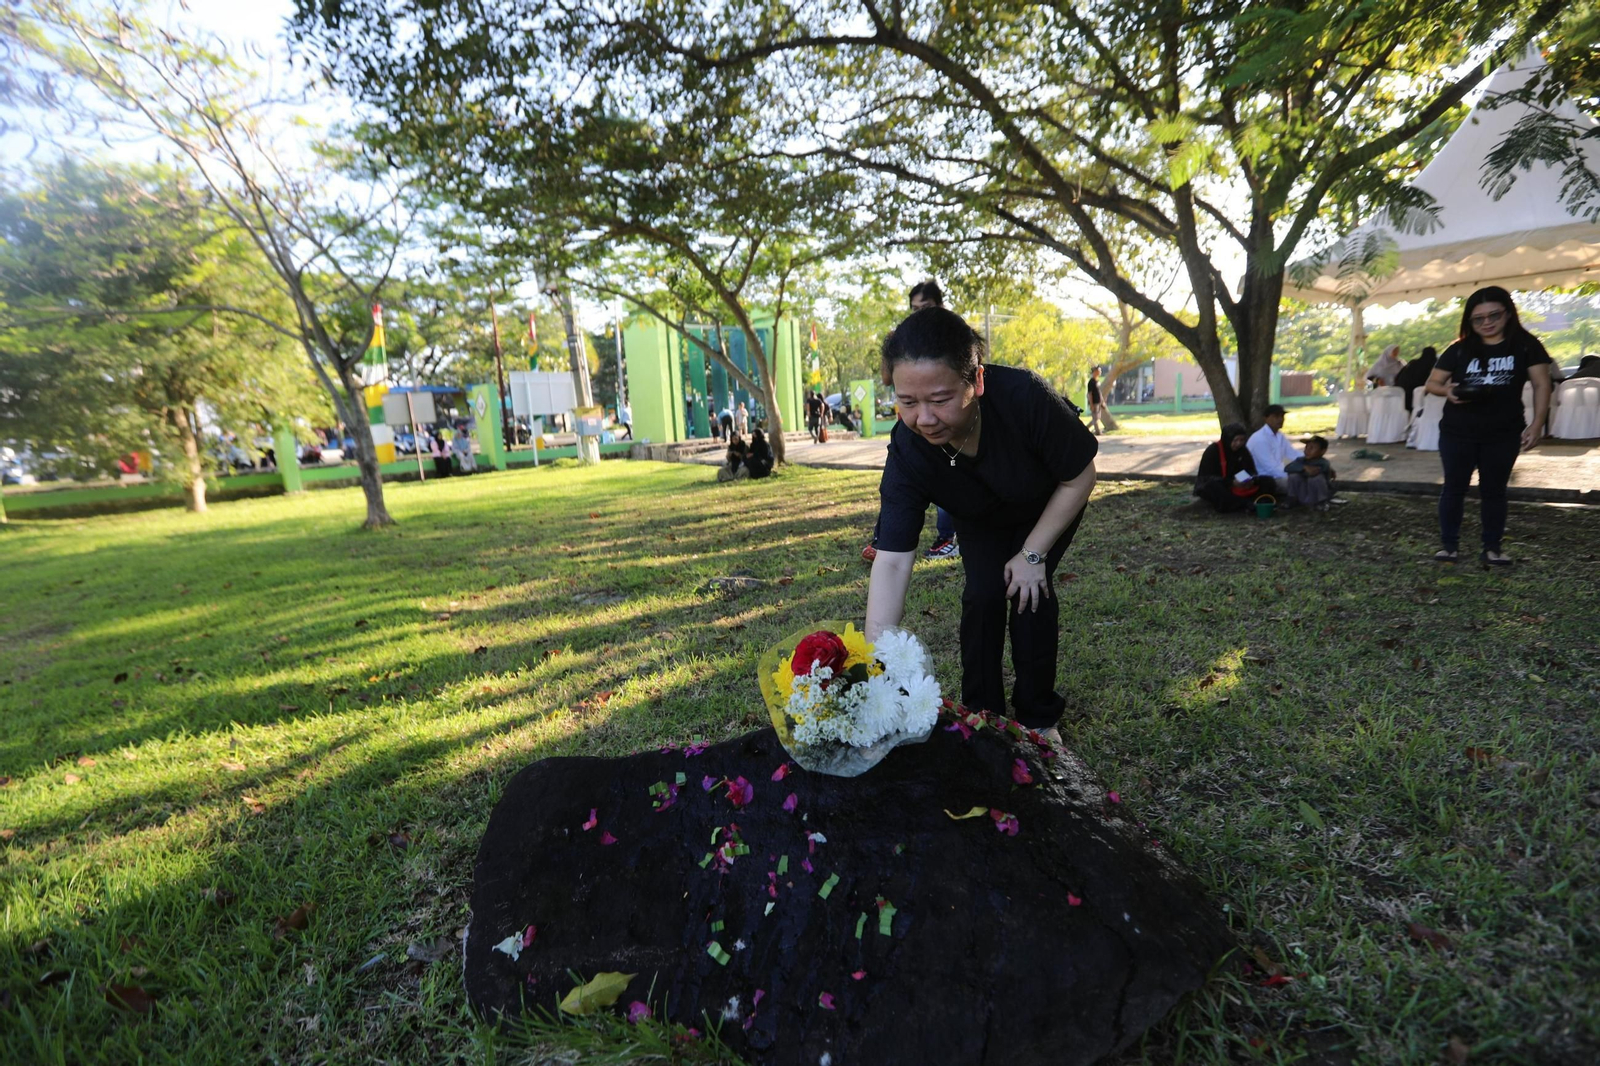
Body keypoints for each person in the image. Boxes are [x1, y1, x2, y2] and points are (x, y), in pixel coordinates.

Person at [865, 307, 1098, 740]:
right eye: (908, 402)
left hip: (1047, 504)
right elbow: (892, 561)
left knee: (1028, 593)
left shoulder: (1024, 397)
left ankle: (1037, 718)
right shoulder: (908, 451)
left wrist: (1032, 555)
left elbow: (1080, 476)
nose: (924, 419)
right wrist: (875, 661)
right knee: (982, 595)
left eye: (940, 400)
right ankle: (982, 717)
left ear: (977, 381)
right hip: (978, 513)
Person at [1425, 285, 1553, 566]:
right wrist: (1447, 391)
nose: (1487, 323)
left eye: (1494, 315)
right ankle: (1449, 546)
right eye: (1478, 319)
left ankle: (1492, 548)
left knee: (1494, 491)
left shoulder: (1526, 345)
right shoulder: (1459, 348)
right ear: (1469, 321)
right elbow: (1432, 383)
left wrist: (1537, 424)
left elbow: (1542, 384)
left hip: (1503, 432)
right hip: (1458, 431)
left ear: (1508, 313)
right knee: (1454, 488)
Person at [862, 280, 959, 564]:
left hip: (952, 428)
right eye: (914, 309)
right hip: (911, 430)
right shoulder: (904, 340)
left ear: (940, 306)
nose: (919, 314)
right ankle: (884, 541)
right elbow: (886, 378)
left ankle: (948, 539)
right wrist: (891, 347)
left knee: (949, 477)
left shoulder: (954, 333)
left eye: (925, 307)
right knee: (897, 479)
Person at [1193, 423, 1267, 513]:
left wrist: (1251, 480)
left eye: (1241, 440)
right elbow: (1206, 477)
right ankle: (1242, 504)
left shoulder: (1243, 450)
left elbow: (1250, 470)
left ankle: (1253, 502)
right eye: (1235, 440)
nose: (1238, 443)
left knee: (1267, 481)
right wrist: (1231, 483)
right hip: (1220, 483)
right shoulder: (1213, 451)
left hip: (1240, 483)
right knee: (1214, 487)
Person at [1247, 403, 1300, 498]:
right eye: (1276, 416)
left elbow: (1292, 453)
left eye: (1282, 416)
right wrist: (1292, 474)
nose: (1280, 419)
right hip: (1266, 479)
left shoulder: (1280, 436)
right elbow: (1270, 468)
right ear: (1266, 418)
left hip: (1278, 474)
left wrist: (1310, 461)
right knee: (1298, 483)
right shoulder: (1259, 439)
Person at [1284, 436, 1335, 510]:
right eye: (1306, 447)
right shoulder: (1301, 460)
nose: (1307, 451)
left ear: (1323, 451)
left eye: (1312, 448)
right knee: (1293, 476)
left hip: (1316, 495)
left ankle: (1322, 502)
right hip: (1303, 493)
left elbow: (1313, 473)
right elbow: (1287, 468)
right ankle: (1292, 499)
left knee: (1316, 478)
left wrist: (1301, 469)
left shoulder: (1323, 463)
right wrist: (1304, 467)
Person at [1394, 346, 1438, 412]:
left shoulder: (1413, 362)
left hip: (1400, 393)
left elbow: (1398, 377)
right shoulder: (1431, 365)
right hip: (1415, 396)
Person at [1086, 366, 1107, 434]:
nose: (1100, 372)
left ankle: (1085, 428)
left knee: (1097, 418)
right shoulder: (1091, 382)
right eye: (1099, 370)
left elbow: (1099, 393)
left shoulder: (1097, 381)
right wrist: (1091, 404)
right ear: (1095, 371)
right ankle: (1098, 432)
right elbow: (1090, 394)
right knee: (1095, 418)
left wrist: (1102, 401)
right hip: (1094, 402)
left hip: (1098, 402)